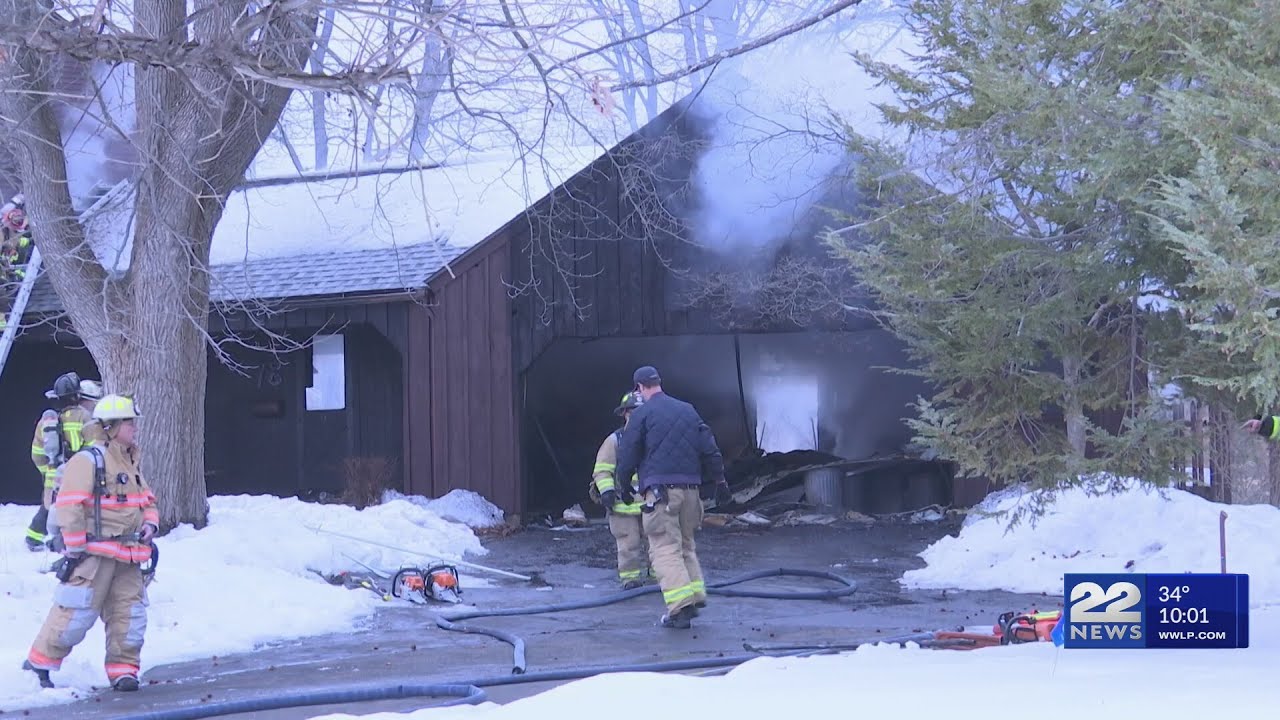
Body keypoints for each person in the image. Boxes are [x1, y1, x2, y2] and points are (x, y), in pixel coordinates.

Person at [24, 394, 158, 692]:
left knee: (130, 616)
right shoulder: (88, 461)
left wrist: (150, 523)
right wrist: (75, 548)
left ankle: (124, 671)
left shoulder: (130, 461)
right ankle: (38, 666)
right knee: (74, 616)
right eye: (129, 422)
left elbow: (146, 500)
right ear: (110, 426)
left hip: (129, 556)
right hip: (93, 556)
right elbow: (69, 506)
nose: (135, 427)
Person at [615, 365, 730, 629]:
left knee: (664, 549)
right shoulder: (688, 410)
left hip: (661, 494)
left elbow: (628, 454)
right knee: (686, 545)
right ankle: (696, 594)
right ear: (659, 383)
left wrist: (623, 485)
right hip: (691, 493)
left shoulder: (642, 415)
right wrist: (720, 481)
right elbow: (710, 449)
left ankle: (680, 608)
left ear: (640, 388)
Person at [25, 374, 106, 551]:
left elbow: (36, 454)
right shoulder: (86, 418)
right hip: (75, 475)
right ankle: (65, 543)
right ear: (78, 396)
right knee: (73, 510)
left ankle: (33, 538)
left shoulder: (47, 422)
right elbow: (96, 450)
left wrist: (47, 471)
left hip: (53, 476)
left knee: (49, 508)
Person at [590, 391, 651, 589]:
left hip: (651, 503)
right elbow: (601, 470)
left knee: (658, 543)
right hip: (622, 505)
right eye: (632, 412)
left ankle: (659, 578)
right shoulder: (615, 441)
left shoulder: (656, 438)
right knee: (628, 543)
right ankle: (630, 580)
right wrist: (607, 491)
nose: (636, 416)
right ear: (624, 414)